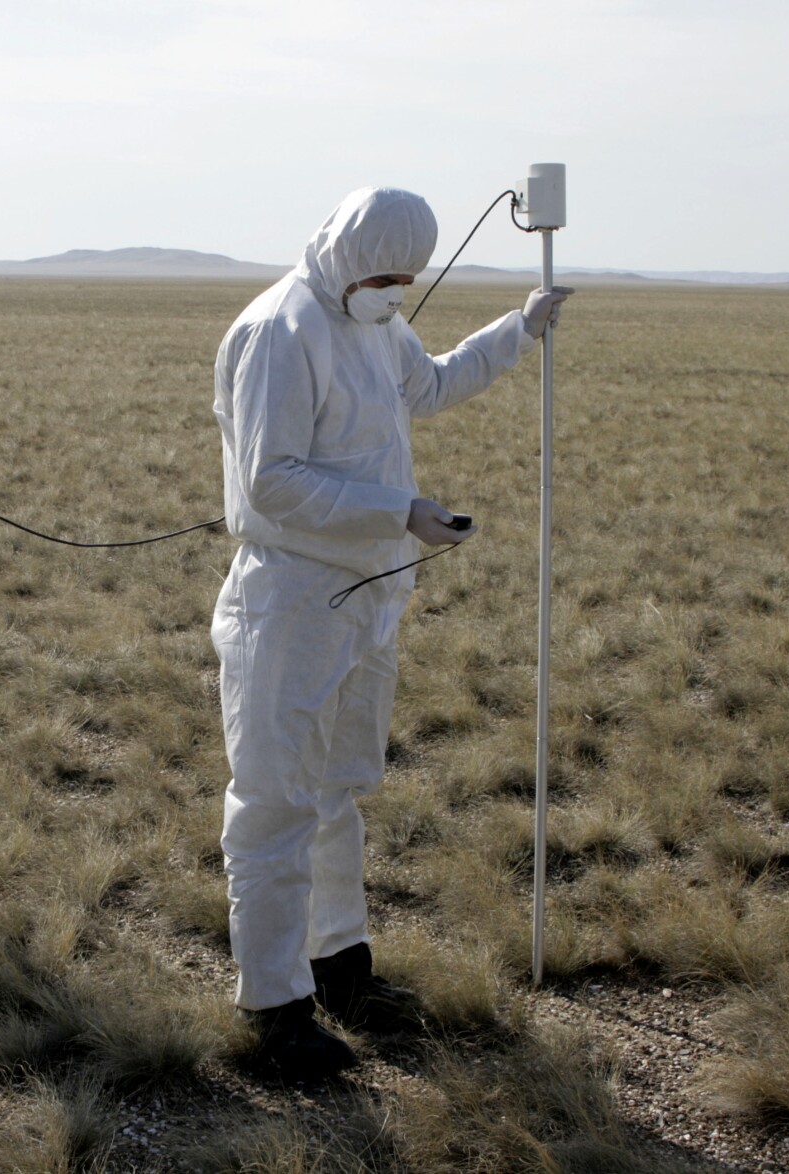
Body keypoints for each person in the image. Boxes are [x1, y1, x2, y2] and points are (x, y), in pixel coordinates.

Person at [211, 187, 572, 1076]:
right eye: (383, 278)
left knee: (338, 788)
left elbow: (430, 385)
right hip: (293, 600)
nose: (395, 291)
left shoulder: (376, 323)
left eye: (406, 280)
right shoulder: (281, 332)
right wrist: (398, 509)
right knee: (276, 802)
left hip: (371, 593)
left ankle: (339, 963)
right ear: (343, 253)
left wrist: (518, 331)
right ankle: (274, 1007)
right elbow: (271, 482)